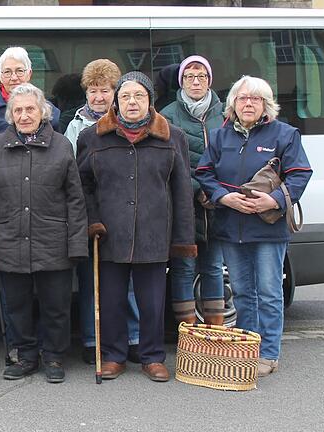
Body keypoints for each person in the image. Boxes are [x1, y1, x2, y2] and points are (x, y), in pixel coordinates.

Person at [78, 71, 195, 383]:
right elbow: (82, 187)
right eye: (126, 96)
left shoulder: (172, 137)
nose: (132, 102)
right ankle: (114, 355)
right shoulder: (93, 138)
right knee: (112, 300)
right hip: (109, 234)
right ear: (116, 102)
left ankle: (153, 356)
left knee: (152, 302)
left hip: (154, 233)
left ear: (150, 101)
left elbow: (182, 191)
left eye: (139, 96)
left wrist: (183, 239)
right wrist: (92, 222)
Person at [196, 75, 312, 377]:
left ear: (266, 105)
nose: (248, 103)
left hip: (267, 230)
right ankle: (248, 348)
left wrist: (273, 201)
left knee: (271, 293)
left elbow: (300, 173)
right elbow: (204, 172)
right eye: (243, 98)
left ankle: (269, 353)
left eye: (256, 99)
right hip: (231, 227)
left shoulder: (285, 134)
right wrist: (224, 198)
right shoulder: (220, 137)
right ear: (233, 103)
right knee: (243, 292)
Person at [0, 83, 87, 384]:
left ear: (43, 112)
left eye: (30, 109)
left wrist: (77, 243)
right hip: (9, 239)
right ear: (10, 114)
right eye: (18, 110)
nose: (24, 115)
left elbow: (76, 200)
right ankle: (25, 355)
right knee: (17, 305)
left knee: (56, 305)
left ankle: (53, 356)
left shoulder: (62, 146)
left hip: (54, 241)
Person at [63, 59, 140, 365]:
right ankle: (92, 339)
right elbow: (70, 170)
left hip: (122, 210)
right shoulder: (75, 125)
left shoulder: (127, 122)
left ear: (116, 92)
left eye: (105, 90)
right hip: (87, 211)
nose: (98, 97)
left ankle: (132, 337)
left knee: (127, 280)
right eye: (93, 90)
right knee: (90, 280)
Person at [160, 55, 226, 327]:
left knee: (213, 268)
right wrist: (199, 189)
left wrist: (215, 192)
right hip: (183, 206)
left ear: (210, 80)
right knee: (184, 269)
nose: (195, 81)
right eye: (189, 76)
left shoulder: (225, 114)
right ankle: (187, 334)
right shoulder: (167, 115)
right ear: (181, 81)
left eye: (201, 76)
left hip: (218, 208)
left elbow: (232, 159)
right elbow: (166, 163)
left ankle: (216, 333)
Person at [0, 46, 61, 142]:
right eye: (7, 72)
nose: (14, 77)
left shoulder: (50, 111)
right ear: (0, 77)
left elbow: (58, 149)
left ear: (29, 74)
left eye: (19, 71)